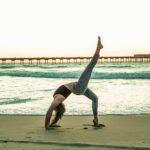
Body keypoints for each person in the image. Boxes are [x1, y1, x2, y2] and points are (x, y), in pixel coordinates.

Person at [45, 36, 103, 129]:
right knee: (90, 66)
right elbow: (49, 111)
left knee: (95, 99)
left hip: (79, 88)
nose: (63, 106)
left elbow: (52, 110)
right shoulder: (58, 99)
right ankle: (98, 48)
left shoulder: (57, 98)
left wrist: (50, 125)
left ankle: (96, 120)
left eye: (61, 108)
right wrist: (46, 126)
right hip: (78, 88)